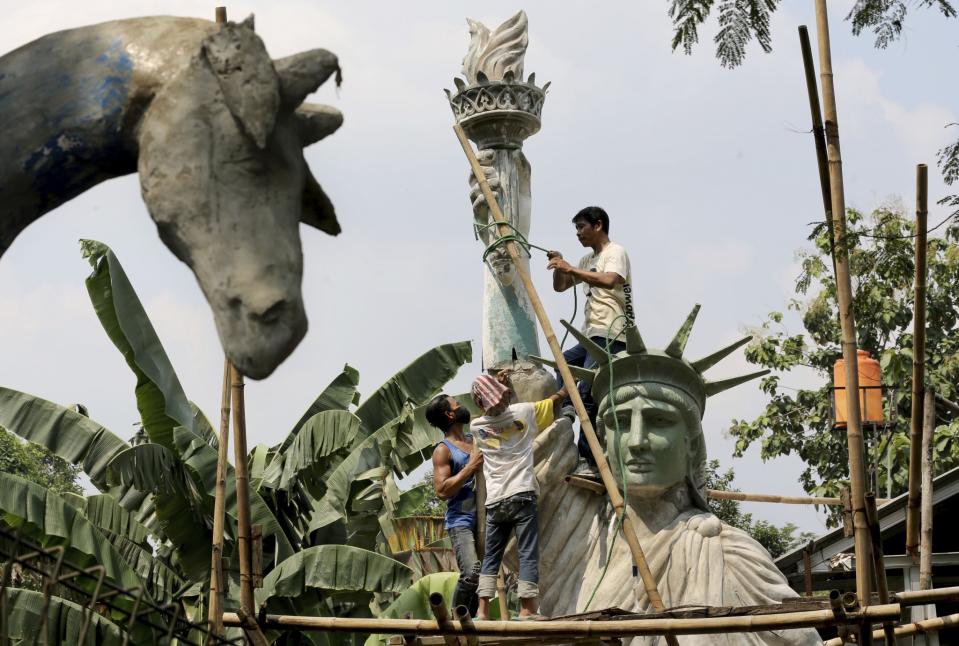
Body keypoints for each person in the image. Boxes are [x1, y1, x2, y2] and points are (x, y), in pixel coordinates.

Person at [517, 316, 822, 645]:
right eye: (619, 422)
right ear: (602, 441)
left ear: (692, 444)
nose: (635, 441)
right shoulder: (577, 537)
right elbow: (522, 458)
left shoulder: (728, 556)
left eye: (657, 421)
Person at [469, 372, 566, 620]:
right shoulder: (523, 413)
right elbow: (554, 401)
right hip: (522, 493)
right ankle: (527, 609)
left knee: (491, 557)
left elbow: (492, 418)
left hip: (495, 500)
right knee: (527, 552)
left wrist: (497, 387)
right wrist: (569, 386)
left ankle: (481, 610)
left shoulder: (477, 427)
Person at [547, 206, 634, 474]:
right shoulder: (586, 260)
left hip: (613, 332)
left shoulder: (615, 252)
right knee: (562, 364)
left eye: (582, 227)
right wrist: (561, 266)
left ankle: (590, 460)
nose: (578, 233)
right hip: (591, 333)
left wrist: (570, 267)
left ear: (598, 225)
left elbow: (609, 280)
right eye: (576, 229)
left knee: (587, 390)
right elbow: (560, 287)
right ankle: (569, 409)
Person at [427, 393, 483, 614]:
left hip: (485, 517)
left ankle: (474, 620)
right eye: (457, 404)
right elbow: (441, 491)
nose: (462, 406)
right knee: (471, 572)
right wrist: (469, 468)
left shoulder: (475, 439)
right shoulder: (444, 450)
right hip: (461, 520)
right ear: (450, 414)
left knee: (484, 579)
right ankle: (455, 617)